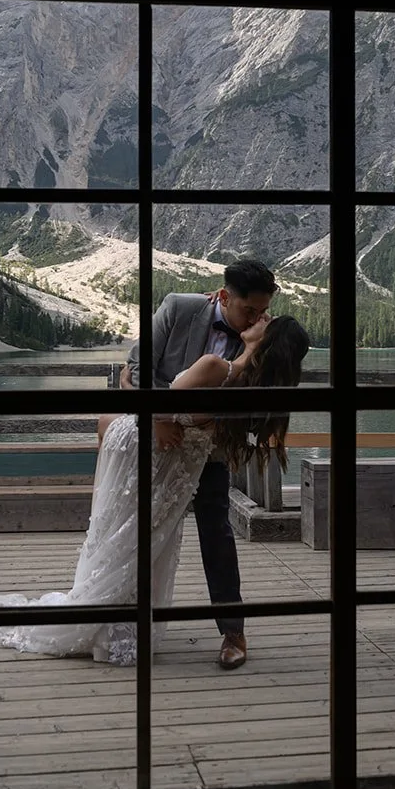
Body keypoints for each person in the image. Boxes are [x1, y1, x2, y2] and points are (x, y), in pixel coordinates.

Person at [0, 312, 310, 667]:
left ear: (266, 340)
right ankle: (112, 620)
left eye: (267, 320)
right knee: (139, 539)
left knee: (124, 536)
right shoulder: (250, 387)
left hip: (146, 452)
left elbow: (161, 408)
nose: (261, 316)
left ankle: (105, 617)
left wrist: (128, 390)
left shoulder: (215, 366)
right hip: (169, 464)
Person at [121, 259, 280, 669]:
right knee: (139, 530)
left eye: (263, 311)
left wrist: (256, 344)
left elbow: (258, 405)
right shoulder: (178, 307)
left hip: (207, 449)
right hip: (154, 439)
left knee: (217, 532)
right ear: (224, 296)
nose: (257, 318)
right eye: (250, 310)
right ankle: (121, 623)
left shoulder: (260, 338)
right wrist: (158, 418)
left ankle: (233, 631)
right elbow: (138, 367)